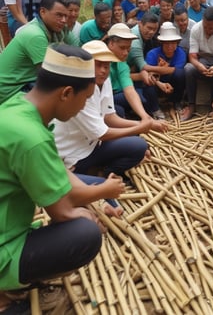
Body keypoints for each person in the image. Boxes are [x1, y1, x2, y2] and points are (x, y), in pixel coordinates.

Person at [0, 44, 125, 313]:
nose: (83, 107)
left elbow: (58, 169)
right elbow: (61, 211)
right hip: (3, 248)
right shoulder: (31, 138)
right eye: (84, 99)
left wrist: (98, 192)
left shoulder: (16, 107)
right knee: (85, 233)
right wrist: (94, 210)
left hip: (7, 224)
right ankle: (5, 288)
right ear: (66, 93)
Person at [53, 39, 150, 183]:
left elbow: (109, 117)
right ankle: (91, 174)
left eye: (106, 65)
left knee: (138, 142)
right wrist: (142, 126)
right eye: (97, 64)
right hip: (74, 155)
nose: (103, 70)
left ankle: (103, 172)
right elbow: (103, 134)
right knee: (138, 143)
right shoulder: (76, 91)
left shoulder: (104, 80)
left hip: (92, 143)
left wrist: (142, 124)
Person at [0, 0, 79, 105]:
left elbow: (79, 50)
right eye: (59, 15)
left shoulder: (58, 27)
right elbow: (49, 75)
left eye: (66, 16)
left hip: (28, 80)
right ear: (42, 12)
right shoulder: (35, 34)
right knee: (63, 93)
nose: (63, 20)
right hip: (12, 89)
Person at [106, 23, 168, 131]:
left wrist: (146, 118)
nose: (125, 53)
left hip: (112, 97)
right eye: (122, 48)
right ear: (111, 43)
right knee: (118, 111)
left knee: (134, 101)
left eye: (128, 49)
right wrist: (145, 124)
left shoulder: (121, 63)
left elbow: (129, 89)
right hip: (100, 103)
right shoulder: (100, 62)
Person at [181, 6, 213, 121]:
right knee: (188, 69)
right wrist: (199, 66)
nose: (208, 30)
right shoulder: (196, 29)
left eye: (212, 27)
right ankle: (191, 105)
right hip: (202, 59)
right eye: (206, 26)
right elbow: (192, 56)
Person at [145, 22, 186, 111]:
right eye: (167, 43)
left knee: (180, 74)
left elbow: (175, 70)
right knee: (148, 81)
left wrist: (156, 68)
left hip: (172, 81)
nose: (170, 46)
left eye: (173, 43)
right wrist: (158, 78)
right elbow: (148, 73)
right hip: (157, 81)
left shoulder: (180, 53)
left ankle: (176, 102)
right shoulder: (152, 54)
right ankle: (155, 108)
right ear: (162, 43)